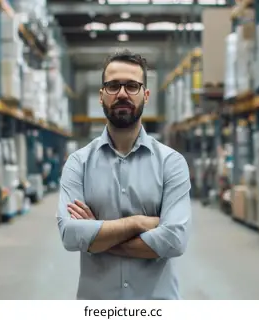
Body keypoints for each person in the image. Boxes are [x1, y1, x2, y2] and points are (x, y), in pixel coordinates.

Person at [55, 50, 192, 300]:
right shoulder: (78, 163)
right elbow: (70, 235)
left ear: (146, 95)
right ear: (101, 95)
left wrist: (97, 237)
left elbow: (174, 240)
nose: (121, 93)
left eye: (131, 86)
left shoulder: (172, 163)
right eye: (113, 86)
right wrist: (138, 223)